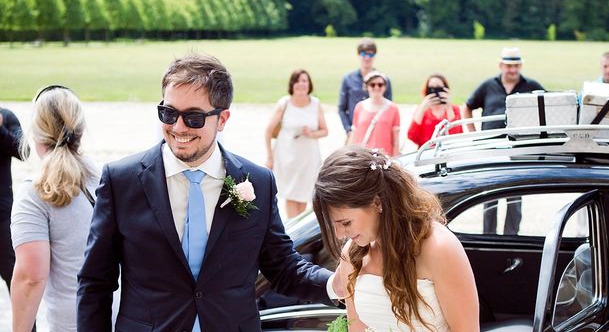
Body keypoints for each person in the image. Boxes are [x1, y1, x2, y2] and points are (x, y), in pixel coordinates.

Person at [77, 53, 331, 332]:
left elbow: (283, 267)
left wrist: (335, 283)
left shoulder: (258, 182)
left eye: (193, 118)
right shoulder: (121, 181)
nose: (177, 127)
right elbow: (95, 283)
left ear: (222, 119)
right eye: (169, 113)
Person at [314, 145, 479, 332]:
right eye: (333, 224)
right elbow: (356, 327)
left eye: (346, 223)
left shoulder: (440, 248)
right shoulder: (352, 255)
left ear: (377, 202)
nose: (339, 235)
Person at [11, 86, 100, 332]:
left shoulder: (35, 192)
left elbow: (31, 277)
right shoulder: (106, 176)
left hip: (72, 324)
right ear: (80, 130)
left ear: (35, 133)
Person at [461, 47, 544, 235]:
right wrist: (475, 136)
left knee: (515, 195)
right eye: (508, 66)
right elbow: (467, 107)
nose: (512, 70)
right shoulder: (488, 85)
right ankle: (488, 235)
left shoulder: (530, 85)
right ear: (501, 65)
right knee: (490, 194)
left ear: (520, 65)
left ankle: (511, 236)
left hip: (519, 147)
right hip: (491, 147)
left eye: (516, 66)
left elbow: (547, 106)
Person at [265, 69, 328, 218]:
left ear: (309, 84)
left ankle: (296, 229)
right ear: (292, 85)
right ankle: (293, 232)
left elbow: (325, 131)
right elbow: (268, 131)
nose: (301, 84)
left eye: (304, 80)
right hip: (287, 157)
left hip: (308, 158)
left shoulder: (315, 103)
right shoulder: (284, 103)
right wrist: (270, 157)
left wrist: (311, 134)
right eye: (298, 81)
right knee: (291, 194)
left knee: (304, 194)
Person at [338, 39, 393, 140]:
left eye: (371, 55)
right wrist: (348, 129)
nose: (367, 58)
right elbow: (341, 108)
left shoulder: (383, 80)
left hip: (378, 132)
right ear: (359, 55)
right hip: (355, 131)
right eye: (364, 54)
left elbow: (389, 106)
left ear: (374, 56)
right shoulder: (348, 79)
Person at [0, 106, 24, 295]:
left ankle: (26, 326)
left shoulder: (6, 117)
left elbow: (23, 151)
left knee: (16, 279)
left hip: (2, 215)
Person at [348, 71, 400, 157]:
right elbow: (354, 134)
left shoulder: (393, 108)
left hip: (383, 157)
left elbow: (396, 139)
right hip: (362, 156)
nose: (376, 87)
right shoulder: (359, 106)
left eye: (380, 84)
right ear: (367, 87)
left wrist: (395, 159)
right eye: (372, 85)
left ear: (385, 87)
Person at [407, 74, 463, 148]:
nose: (435, 91)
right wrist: (422, 108)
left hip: (447, 151)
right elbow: (412, 136)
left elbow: (456, 135)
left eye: (439, 88)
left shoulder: (454, 109)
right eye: (431, 88)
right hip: (426, 152)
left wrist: (448, 107)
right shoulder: (422, 109)